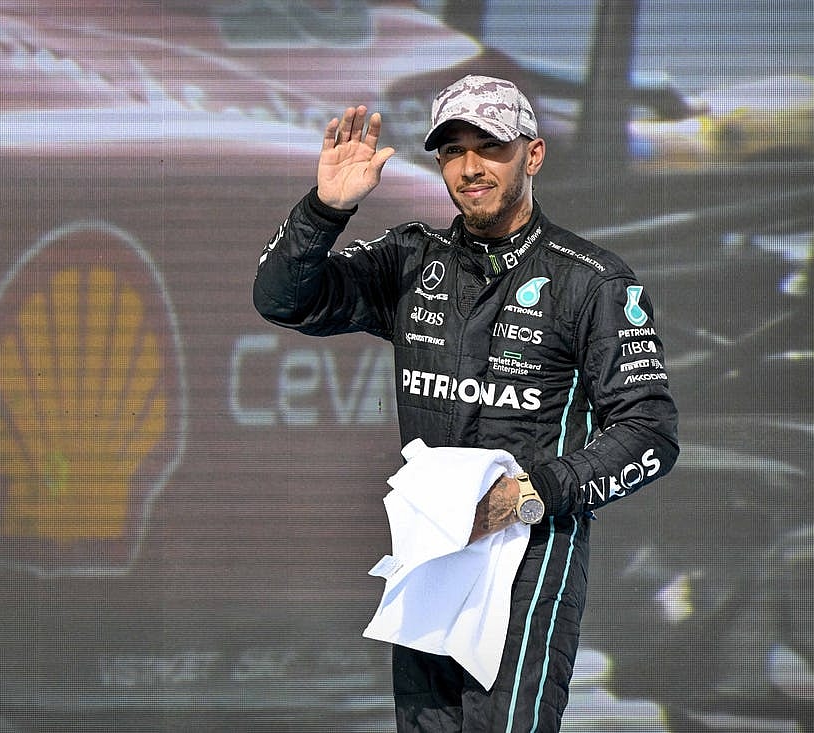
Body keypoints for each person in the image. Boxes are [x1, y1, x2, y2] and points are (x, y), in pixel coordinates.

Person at [252, 75, 679, 732]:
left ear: (533, 155)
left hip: (527, 558)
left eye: (491, 147)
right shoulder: (410, 260)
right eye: (452, 149)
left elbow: (650, 432)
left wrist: (529, 495)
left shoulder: (591, 281)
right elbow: (282, 299)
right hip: (430, 554)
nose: (470, 167)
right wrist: (324, 211)